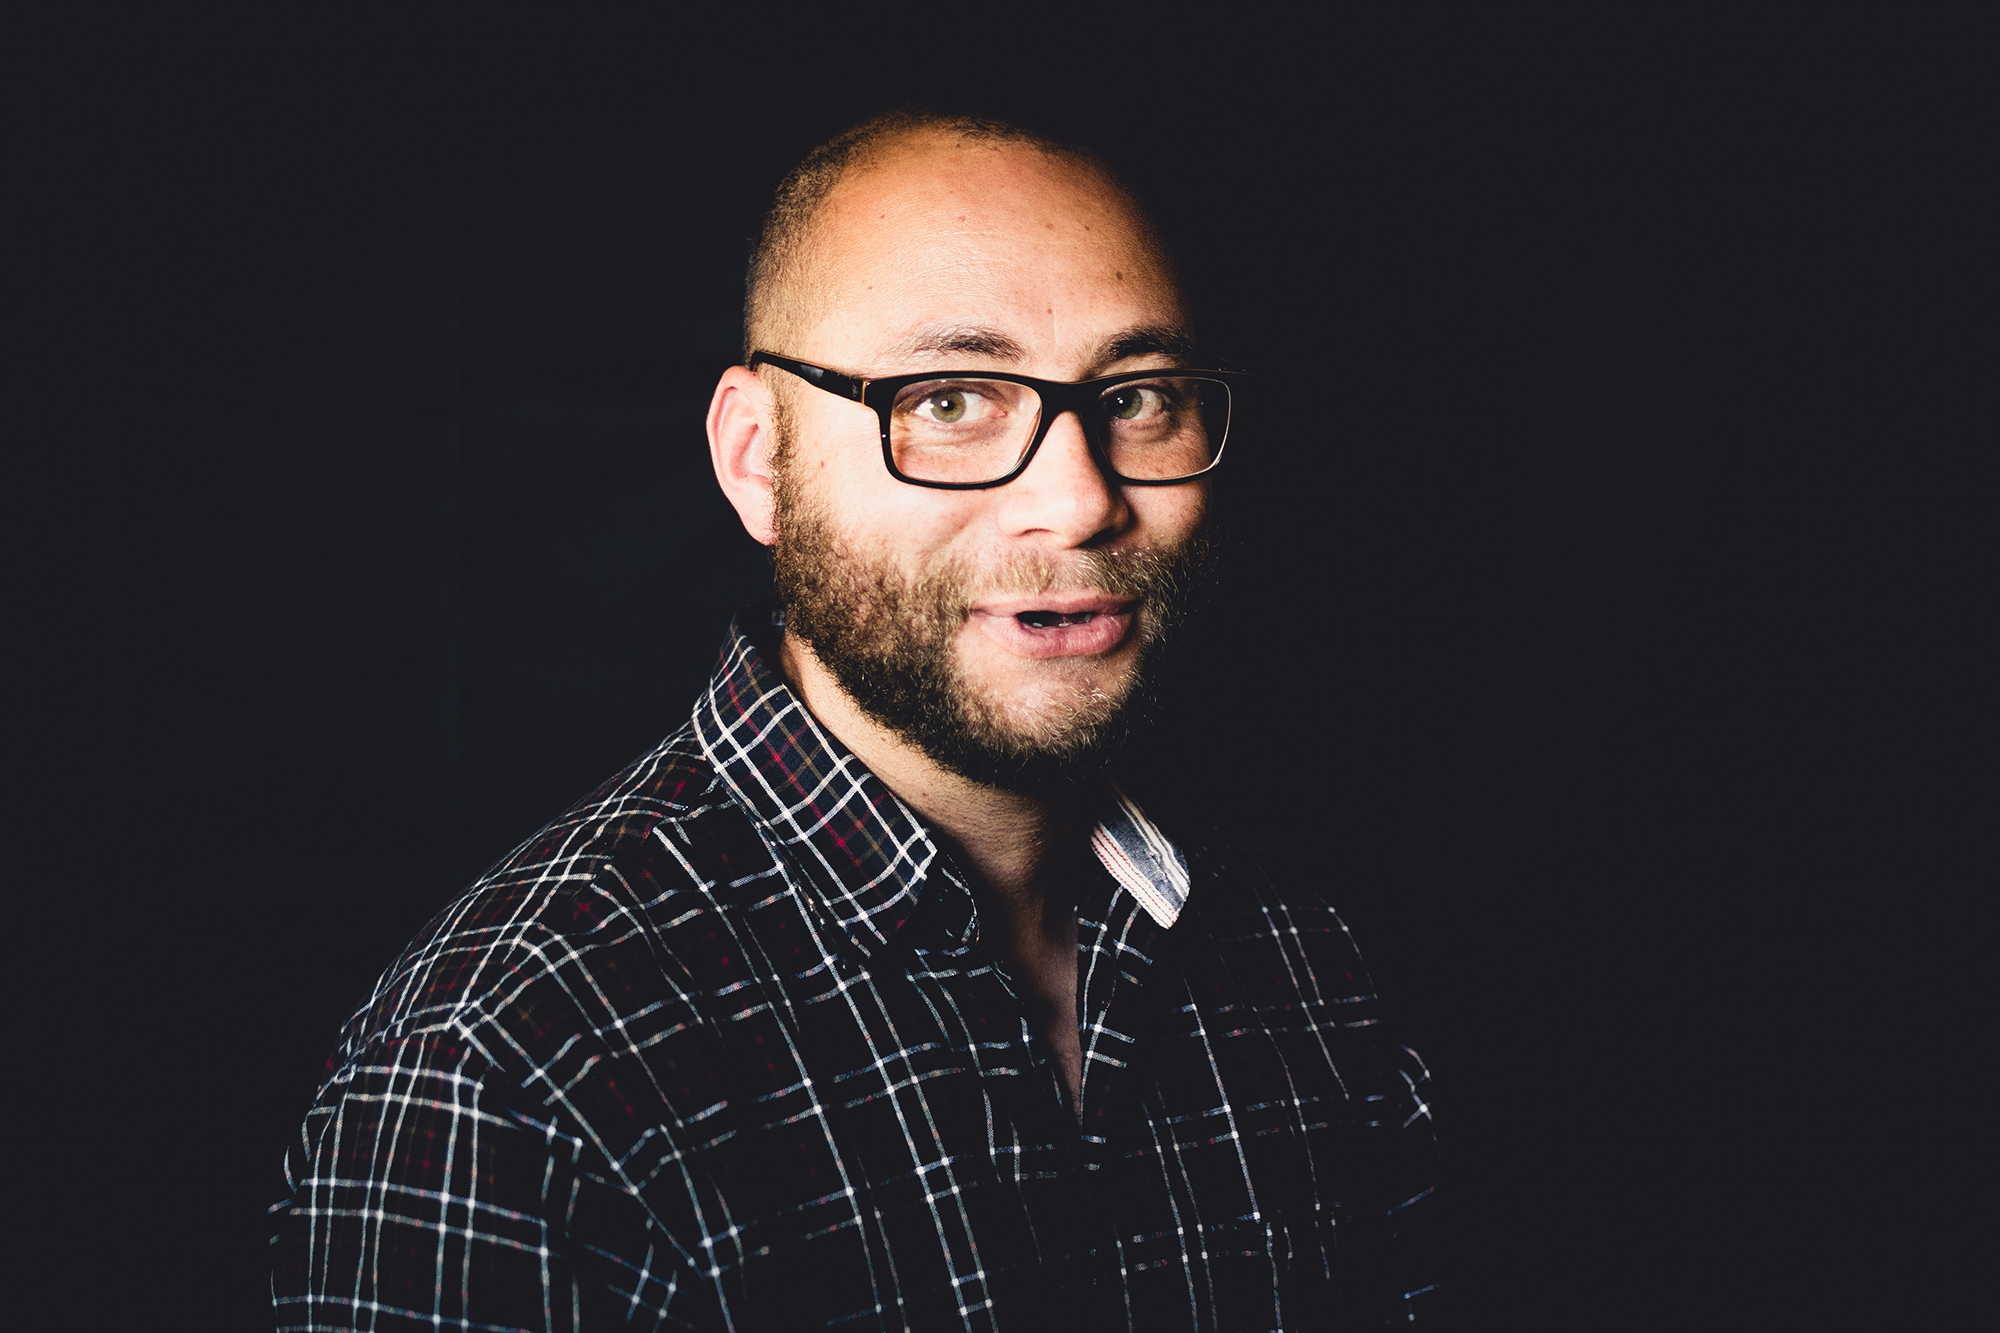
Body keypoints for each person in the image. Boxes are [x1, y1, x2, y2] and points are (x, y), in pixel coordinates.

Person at [270, 111, 1443, 1330]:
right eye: (949, 401)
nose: (1078, 500)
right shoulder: (510, 1078)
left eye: (1137, 395)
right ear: (757, 460)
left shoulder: (1305, 957)